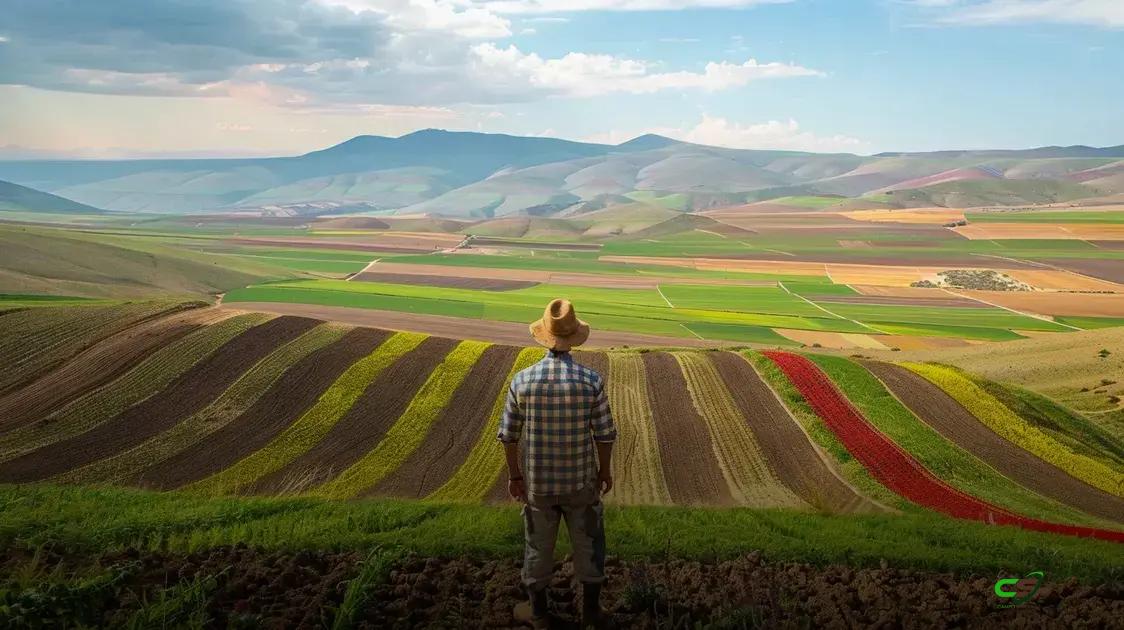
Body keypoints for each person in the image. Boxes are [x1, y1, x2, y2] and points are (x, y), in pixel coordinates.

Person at [498, 298, 617, 630]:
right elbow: (605, 434)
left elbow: (508, 436)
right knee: (590, 544)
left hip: (539, 486)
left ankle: (538, 615)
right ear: (574, 335)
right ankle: (591, 615)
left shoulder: (522, 381)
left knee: (537, 547)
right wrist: (603, 471)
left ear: (544, 334)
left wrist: (515, 476)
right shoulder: (590, 381)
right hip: (580, 483)